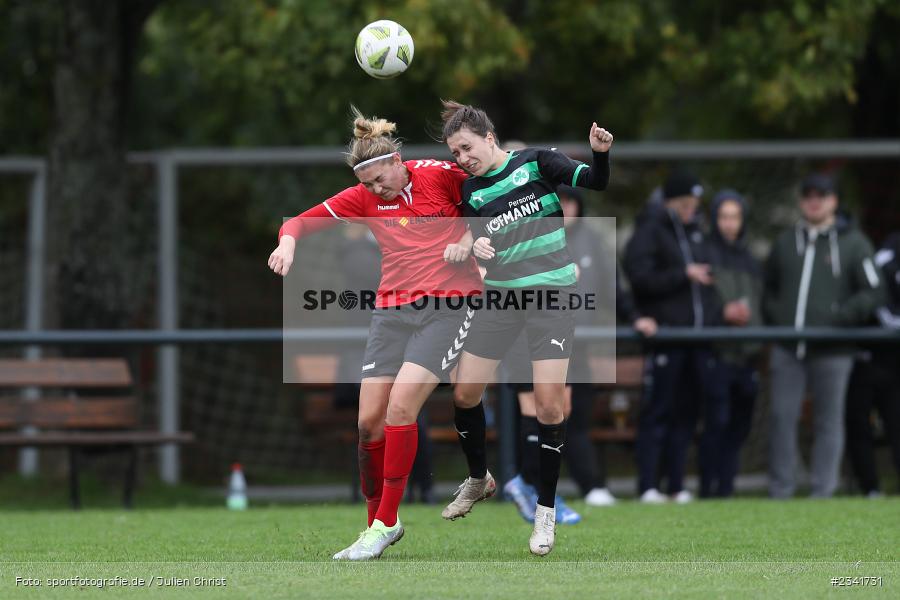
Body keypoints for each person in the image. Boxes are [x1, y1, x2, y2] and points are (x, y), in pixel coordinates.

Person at [268, 108, 483, 560]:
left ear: (397, 159)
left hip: (447, 307)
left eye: (379, 179)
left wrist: (469, 238)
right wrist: (287, 241)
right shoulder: (363, 197)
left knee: (401, 409)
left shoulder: (442, 175)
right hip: (391, 312)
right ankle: (379, 525)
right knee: (368, 424)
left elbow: (495, 188)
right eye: (366, 183)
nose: (374, 189)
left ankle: (384, 523)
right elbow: (300, 221)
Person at [438, 100, 613, 556]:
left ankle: (545, 512)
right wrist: (474, 247)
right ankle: (479, 479)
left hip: (551, 299)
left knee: (550, 408)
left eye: (466, 147)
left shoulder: (536, 162)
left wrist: (600, 154)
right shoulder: (471, 191)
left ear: (488, 136)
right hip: (501, 300)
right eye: (455, 153)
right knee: (464, 394)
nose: (462, 158)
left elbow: (596, 182)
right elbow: (472, 237)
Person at [763, 173, 883, 498]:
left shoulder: (854, 243)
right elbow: (768, 287)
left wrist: (840, 318)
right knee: (781, 417)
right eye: (808, 195)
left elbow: (873, 292)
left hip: (834, 349)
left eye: (822, 194)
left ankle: (822, 491)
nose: (814, 200)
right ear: (802, 201)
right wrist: (779, 319)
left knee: (829, 421)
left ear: (834, 200)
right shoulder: (786, 242)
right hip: (789, 348)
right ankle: (781, 489)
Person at [623, 169, 722, 504]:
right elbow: (639, 277)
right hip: (666, 336)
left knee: (687, 414)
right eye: (685, 204)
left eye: (694, 204)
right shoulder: (650, 230)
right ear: (670, 202)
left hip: (695, 339)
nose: (691, 210)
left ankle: (677, 485)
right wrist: (682, 275)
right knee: (658, 412)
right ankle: (649, 485)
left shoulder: (696, 232)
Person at [702, 189, 763, 497]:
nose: (729, 223)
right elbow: (699, 304)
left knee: (739, 426)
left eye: (734, 217)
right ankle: (709, 489)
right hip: (717, 353)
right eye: (724, 216)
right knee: (716, 423)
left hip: (747, 356)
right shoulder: (705, 254)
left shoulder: (750, 259)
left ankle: (726, 488)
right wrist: (721, 314)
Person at [844, 231, 900, 497]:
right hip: (869, 358)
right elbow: (876, 299)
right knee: (860, 425)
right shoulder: (884, 256)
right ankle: (870, 488)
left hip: (895, 362)